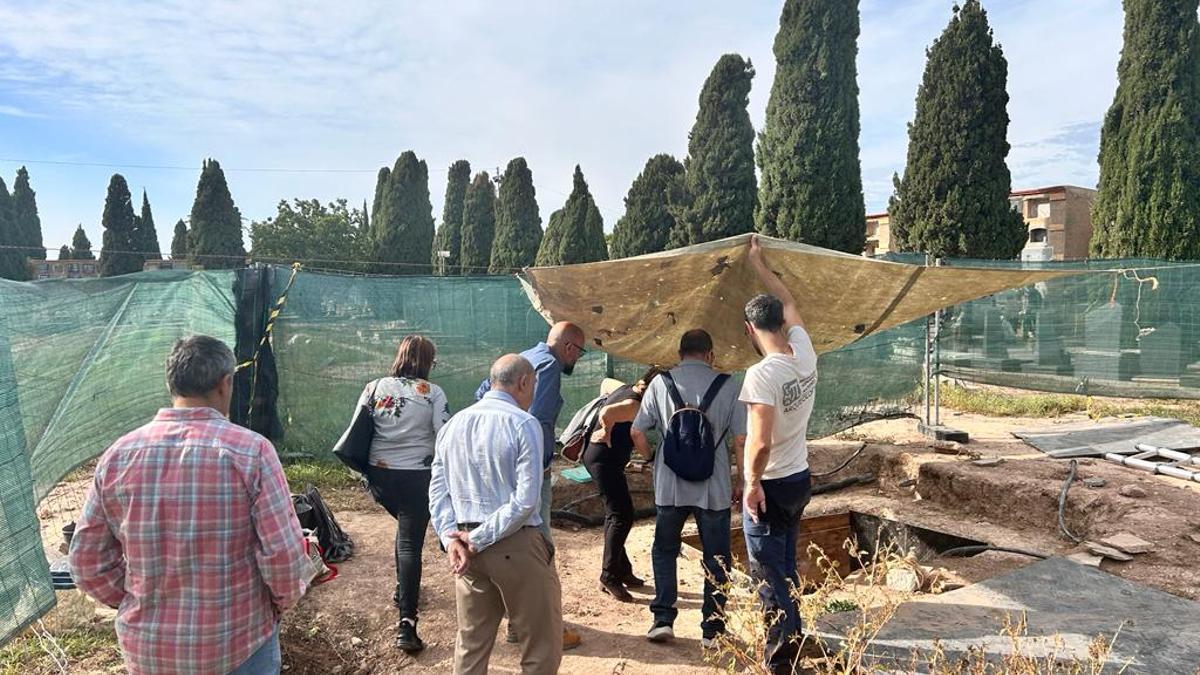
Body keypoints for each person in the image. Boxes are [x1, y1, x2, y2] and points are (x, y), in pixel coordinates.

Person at [70, 336, 311, 675]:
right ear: (225, 384)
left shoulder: (118, 455)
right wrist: (281, 602)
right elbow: (283, 557)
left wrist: (134, 601)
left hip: (150, 651)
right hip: (238, 643)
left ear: (172, 383)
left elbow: (86, 562)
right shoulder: (252, 452)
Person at [430, 354, 563, 675]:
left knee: (471, 646)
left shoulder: (453, 426)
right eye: (533, 386)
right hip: (514, 545)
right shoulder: (524, 423)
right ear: (524, 382)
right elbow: (525, 501)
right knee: (540, 647)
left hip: (467, 551)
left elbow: (437, 492)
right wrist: (475, 539)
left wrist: (452, 541)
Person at [631, 329, 747, 649]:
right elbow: (740, 438)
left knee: (665, 549)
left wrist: (654, 459)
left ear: (679, 353)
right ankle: (713, 630)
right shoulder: (728, 385)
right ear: (710, 355)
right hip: (714, 487)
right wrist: (743, 480)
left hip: (670, 487)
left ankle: (663, 619)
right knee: (717, 557)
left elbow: (637, 432)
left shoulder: (659, 383)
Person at [474, 321, 586, 650]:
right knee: (540, 549)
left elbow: (481, 396)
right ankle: (545, 629)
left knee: (512, 546)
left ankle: (515, 624)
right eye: (578, 351)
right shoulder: (548, 366)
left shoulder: (521, 358)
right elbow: (536, 423)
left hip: (498, 469)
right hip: (529, 474)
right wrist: (535, 472)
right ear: (568, 347)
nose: (577, 359)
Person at [739, 235, 819, 672]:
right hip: (799, 479)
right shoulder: (805, 353)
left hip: (770, 485)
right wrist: (760, 264)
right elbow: (789, 302)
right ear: (781, 324)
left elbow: (760, 440)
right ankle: (797, 634)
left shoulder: (762, 375)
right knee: (785, 564)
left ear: (749, 330)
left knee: (768, 576)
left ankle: (779, 662)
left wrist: (751, 485)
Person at [353, 334, 450, 653]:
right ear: (427, 363)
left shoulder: (374, 387)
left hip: (379, 479)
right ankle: (406, 625)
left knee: (405, 533)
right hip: (416, 478)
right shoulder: (432, 393)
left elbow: (358, 429)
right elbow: (443, 434)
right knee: (410, 542)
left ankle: (401, 590)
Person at [582, 365, 666, 602]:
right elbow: (608, 412)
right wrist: (607, 430)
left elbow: (606, 384)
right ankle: (609, 576)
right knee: (621, 515)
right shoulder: (635, 405)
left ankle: (621, 569)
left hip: (602, 459)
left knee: (617, 514)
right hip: (603, 460)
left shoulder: (626, 388)